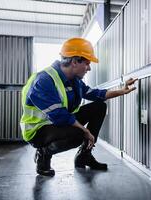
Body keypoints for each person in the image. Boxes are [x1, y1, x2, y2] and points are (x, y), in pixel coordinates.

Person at [20, 37, 137, 176]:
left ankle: (84, 156)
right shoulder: (44, 80)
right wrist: (85, 131)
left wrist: (122, 91)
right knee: (79, 135)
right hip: (39, 131)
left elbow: (94, 94)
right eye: (87, 63)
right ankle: (43, 154)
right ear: (74, 62)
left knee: (99, 107)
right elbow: (59, 116)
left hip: (58, 122)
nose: (89, 68)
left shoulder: (74, 80)